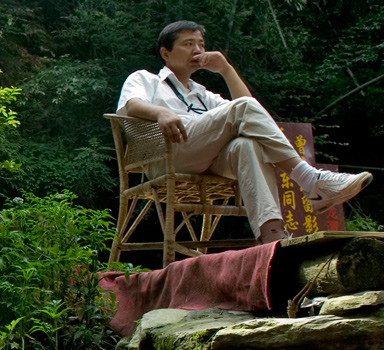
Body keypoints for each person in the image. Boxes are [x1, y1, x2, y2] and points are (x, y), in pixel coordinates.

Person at [116, 20, 372, 244]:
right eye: (188, 43)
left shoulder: (202, 94)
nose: (198, 50)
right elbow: (131, 105)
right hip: (167, 154)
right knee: (242, 111)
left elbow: (250, 110)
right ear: (166, 53)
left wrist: (226, 69)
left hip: (206, 158)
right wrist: (160, 112)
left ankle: (271, 235)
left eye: (201, 44)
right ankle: (310, 181)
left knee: (247, 145)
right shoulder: (145, 79)